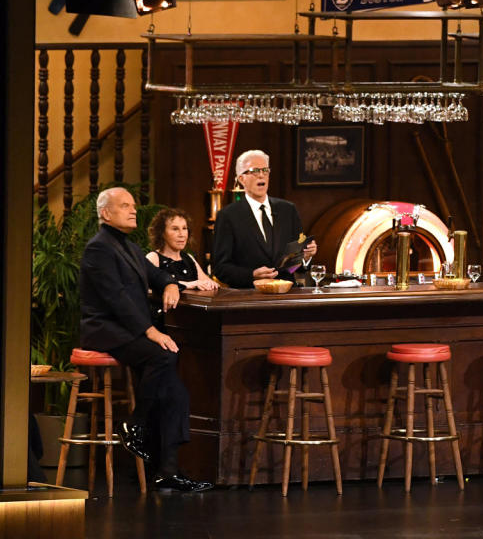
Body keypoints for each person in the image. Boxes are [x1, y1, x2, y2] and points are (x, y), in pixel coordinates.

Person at [79, 187, 212, 492]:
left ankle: (167, 471)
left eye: (133, 206)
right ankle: (135, 423)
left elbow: (158, 275)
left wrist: (171, 286)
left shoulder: (129, 246)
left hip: (130, 330)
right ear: (105, 213)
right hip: (107, 330)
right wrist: (151, 331)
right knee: (163, 355)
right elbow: (117, 300)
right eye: (124, 206)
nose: (133, 210)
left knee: (176, 391)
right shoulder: (99, 248)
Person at [212, 149, 318, 288]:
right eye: (255, 171)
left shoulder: (288, 210)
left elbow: (296, 264)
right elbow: (220, 268)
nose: (261, 175)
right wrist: (252, 274)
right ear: (241, 179)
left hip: (286, 296)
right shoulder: (228, 216)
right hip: (249, 298)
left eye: (265, 170)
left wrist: (306, 257)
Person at [146, 208, 219, 291]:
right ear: (162, 233)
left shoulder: (188, 257)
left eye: (184, 228)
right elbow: (148, 289)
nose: (182, 234)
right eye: (175, 229)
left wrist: (212, 284)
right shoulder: (154, 257)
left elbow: (207, 282)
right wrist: (189, 284)